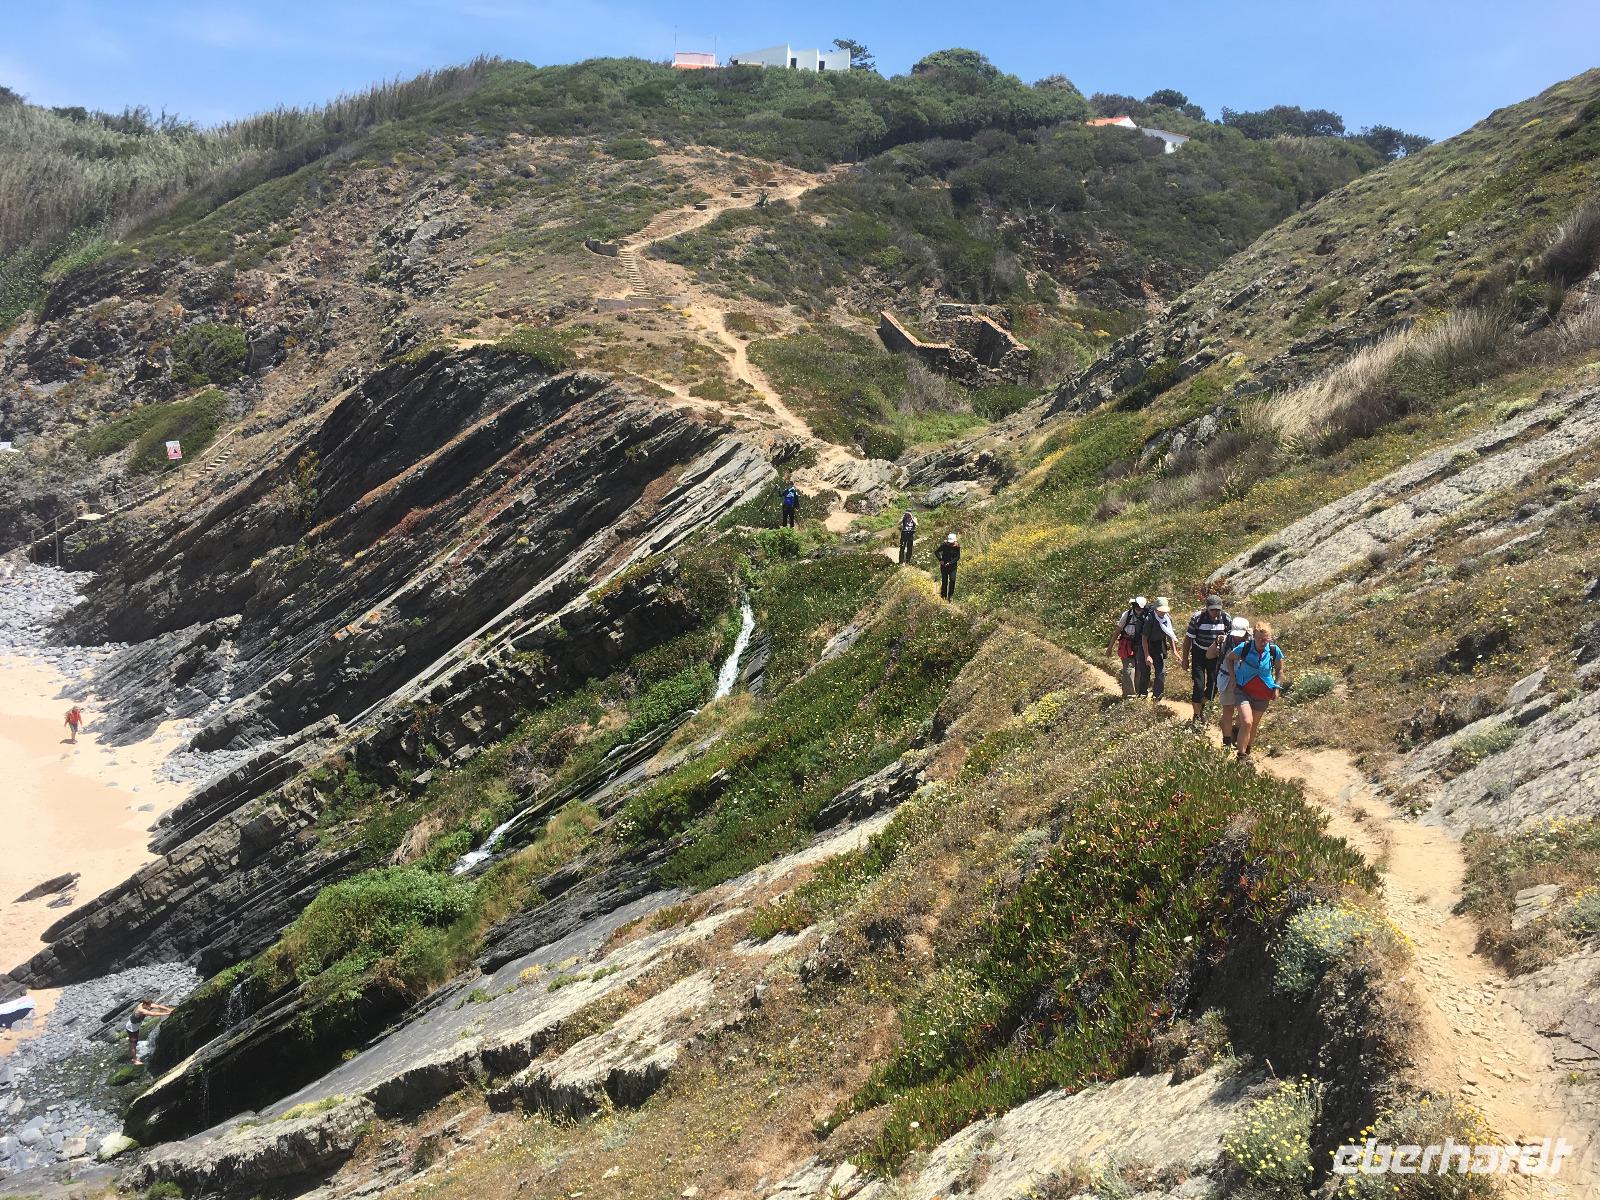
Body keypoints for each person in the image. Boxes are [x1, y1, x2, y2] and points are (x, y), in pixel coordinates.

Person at [1226, 620, 1285, 761]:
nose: (1262, 642)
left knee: (1253, 725)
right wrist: (1233, 679)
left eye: (1265, 639)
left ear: (1269, 638)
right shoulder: (1244, 647)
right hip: (1243, 689)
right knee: (1247, 721)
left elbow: (1280, 670)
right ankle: (1241, 756)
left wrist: (1276, 687)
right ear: (1253, 637)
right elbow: (1230, 658)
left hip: (1263, 692)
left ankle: (1247, 751)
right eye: (1258, 639)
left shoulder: (1273, 650)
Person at [1181, 594, 1233, 725]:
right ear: (1207, 608)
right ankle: (1196, 715)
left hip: (1216, 654)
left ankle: (1201, 707)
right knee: (1198, 684)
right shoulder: (1198, 618)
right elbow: (1188, 640)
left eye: (1218, 610)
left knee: (1213, 686)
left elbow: (1231, 638)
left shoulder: (1226, 618)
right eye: (1212, 610)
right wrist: (1185, 659)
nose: (1215, 612)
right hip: (1199, 653)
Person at [1215, 616, 1253, 748]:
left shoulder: (1252, 642)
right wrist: (1215, 643)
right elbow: (1210, 655)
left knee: (1243, 711)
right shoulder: (1225, 641)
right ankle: (1227, 741)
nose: (1237, 638)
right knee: (1228, 709)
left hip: (1245, 679)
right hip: (1227, 679)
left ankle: (1236, 731)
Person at [1106, 596, 1149, 698]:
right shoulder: (1127, 615)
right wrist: (1110, 647)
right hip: (1127, 645)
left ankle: (1137, 693)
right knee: (1129, 669)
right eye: (1137, 607)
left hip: (1141, 645)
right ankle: (1129, 695)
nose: (1138, 609)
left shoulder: (1147, 616)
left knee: (1139, 670)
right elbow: (1117, 631)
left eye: (1140, 608)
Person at [1138, 597, 1179, 701]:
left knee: (1161, 673)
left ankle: (1157, 697)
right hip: (1146, 646)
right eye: (1161, 611)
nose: (1163, 613)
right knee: (1145, 673)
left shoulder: (1167, 619)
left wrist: (1174, 650)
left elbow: (1169, 634)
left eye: (1164, 611)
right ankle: (1142, 695)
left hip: (1159, 646)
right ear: (1156, 609)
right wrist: (1147, 655)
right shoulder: (1150, 619)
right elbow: (1144, 638)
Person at [125, 998, 175, 1065]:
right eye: (148, 1006)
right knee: (133, 1044)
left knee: (133, 1042)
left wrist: (170, 1010)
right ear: (145, 1004)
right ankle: (135, 1060)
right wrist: (167, 1013)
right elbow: (153, 1013)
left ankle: (130, 1054)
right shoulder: (140, 1010)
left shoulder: (145, 1005)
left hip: (134, 1027)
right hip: (131, 1028)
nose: (149, 1007)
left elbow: (158, 1006)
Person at [935, 533, 961, 600]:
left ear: (955, 541)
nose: (951, 544)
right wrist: (940, 560)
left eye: (952, 542)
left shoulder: (957, 547)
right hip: (944, 566)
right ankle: (943, 596)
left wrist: (950, 563)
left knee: (952, 580)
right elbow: (936, 552)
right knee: (944, 581)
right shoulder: (944, 545)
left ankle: (950, 597)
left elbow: (957, 557)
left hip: (953, 567)